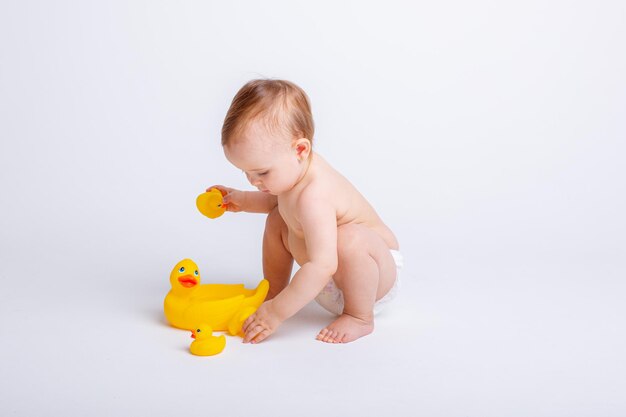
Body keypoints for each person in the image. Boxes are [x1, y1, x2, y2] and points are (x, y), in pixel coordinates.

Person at [209, 79, 402, 344]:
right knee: (277, 218)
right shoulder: (290, 172)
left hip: (373, 279)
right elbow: (279, 203)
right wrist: (240, 200)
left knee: (348, 239)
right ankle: (274, 291)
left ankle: (359, 317)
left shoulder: (316, 195)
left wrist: (275, 315)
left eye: (262, 172)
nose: (253, 181)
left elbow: (324, 263)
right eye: (246, 173)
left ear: (300, 149)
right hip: (326, 277)